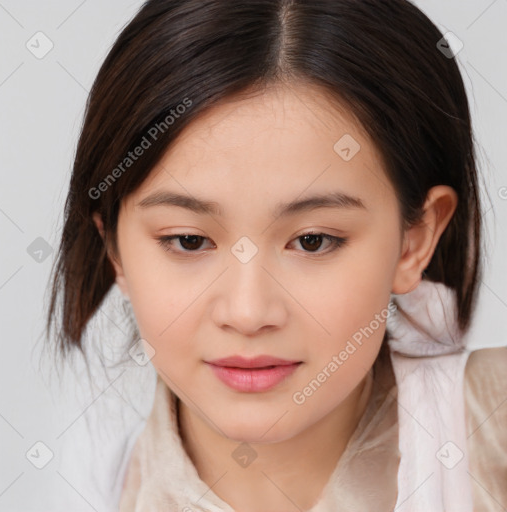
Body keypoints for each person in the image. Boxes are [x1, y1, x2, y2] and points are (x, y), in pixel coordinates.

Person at [45, 0, 507, 510]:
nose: (248, 313)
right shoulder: (95, 481)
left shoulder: (493, 432)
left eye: (313, 241)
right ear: (114, 249)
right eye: (189, 240)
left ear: (414, 240)